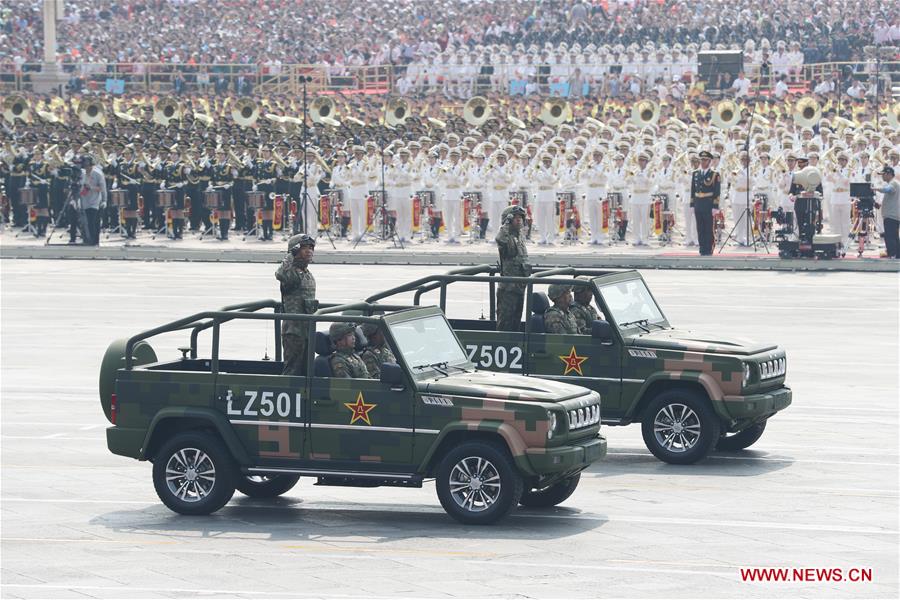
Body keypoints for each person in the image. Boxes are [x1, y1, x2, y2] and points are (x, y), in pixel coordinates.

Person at [276, 234, 317, 376]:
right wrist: (290, 255)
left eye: (311, 248)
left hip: (306, 329)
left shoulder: (306, 273)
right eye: (304, 248)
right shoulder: (291, 272)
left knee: (306, 370)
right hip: (294, 331)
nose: (309, 251)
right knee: (292, 370)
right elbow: (280, 273)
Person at [495, 205, 530, 332]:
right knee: (505, 324)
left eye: (520, 217)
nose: (519, 219)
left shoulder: (519, 236)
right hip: (508, 290)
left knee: (516, 323)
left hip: (519, 287)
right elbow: (500, 239)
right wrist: (507, 223)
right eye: (515, 217)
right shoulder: (506, 236)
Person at [691, 150, 721, 256]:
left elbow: (717, 191)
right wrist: (692, 204)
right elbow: (693, 190)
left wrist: (715, 206)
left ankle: (709, 248)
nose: (703, 162)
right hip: (698, 203)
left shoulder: (714, 174)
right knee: (700, 227)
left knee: (708, 228)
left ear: (709, 161)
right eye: (702, 160)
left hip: (708, 204)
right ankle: (702, 248)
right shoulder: (695, 173)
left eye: (705, 160)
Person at [79, 155, 107, 246]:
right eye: (85, 166)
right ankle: (86, 239)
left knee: (93, 221)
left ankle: (94, 240)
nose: (87, 168)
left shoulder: (98, 174)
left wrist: (104, 200)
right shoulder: (81, 173)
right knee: (84, 221)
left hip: (95, 201)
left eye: (88, 166)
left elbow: (102, 188)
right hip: (84, 200)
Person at [874, 166, 899, 258]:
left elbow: (887, 190)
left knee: (890, 236)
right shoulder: (893, 183)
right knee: (894, 236)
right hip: (892, 215)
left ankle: (892, 254)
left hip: (891, 215)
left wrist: (874, 188)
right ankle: (896, 254)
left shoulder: (894, 183)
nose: (882, 176)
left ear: (889, 174)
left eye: (883, 174)